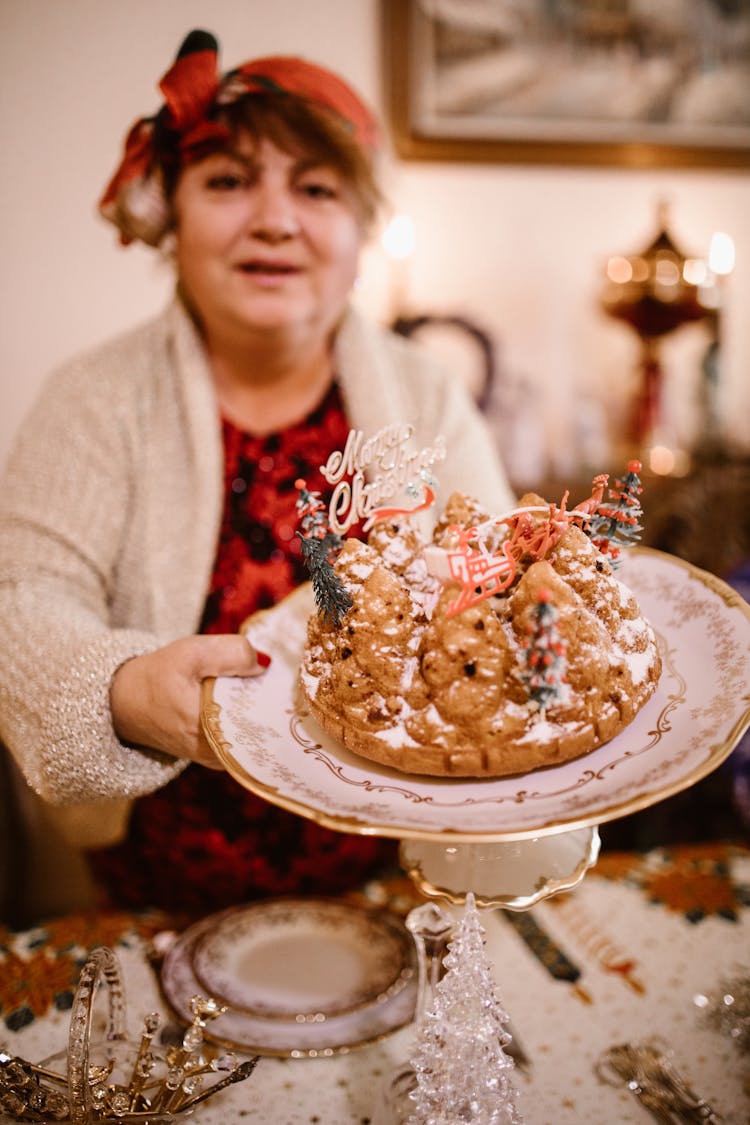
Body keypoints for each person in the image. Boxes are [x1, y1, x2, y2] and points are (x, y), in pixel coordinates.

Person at [0, 30, 514, 916]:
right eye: (228, 181)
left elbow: (498, 572)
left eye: (314, 189)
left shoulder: (426, 392)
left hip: (400, 875)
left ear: (359, 232)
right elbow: (24, 598)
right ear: (172, 217)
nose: (274, 219)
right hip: (150, 890)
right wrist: (122, 690)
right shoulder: (93, 399)